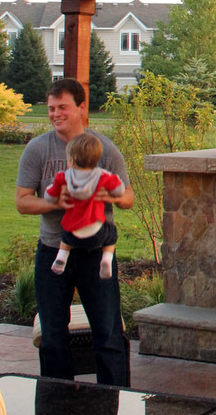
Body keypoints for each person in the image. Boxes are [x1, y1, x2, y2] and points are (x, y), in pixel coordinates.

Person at [16, 78, 134, 386]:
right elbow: (22, 202)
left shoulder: (104, 149)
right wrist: (53, 202)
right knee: (53, 339)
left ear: (82, 108)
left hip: (96, 254)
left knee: (108, 336)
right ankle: (59, 407)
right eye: (51, 108)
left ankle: (115, 404)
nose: (55, 114)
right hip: (54, 251)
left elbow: (128, 199)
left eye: (62, 108)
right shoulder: (37, 149)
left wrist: (111, 196)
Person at [44, 133, 123, 279]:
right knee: (111, 232)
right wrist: (111, 190)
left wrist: (52, 194)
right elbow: (119, 190)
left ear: (71, 161)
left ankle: (62, 256)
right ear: (96, 160)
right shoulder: (102, 176)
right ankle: (106, 258)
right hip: (96, 231)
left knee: (65, 235)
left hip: (73, 232)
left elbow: (49, 196)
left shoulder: (63, 177)